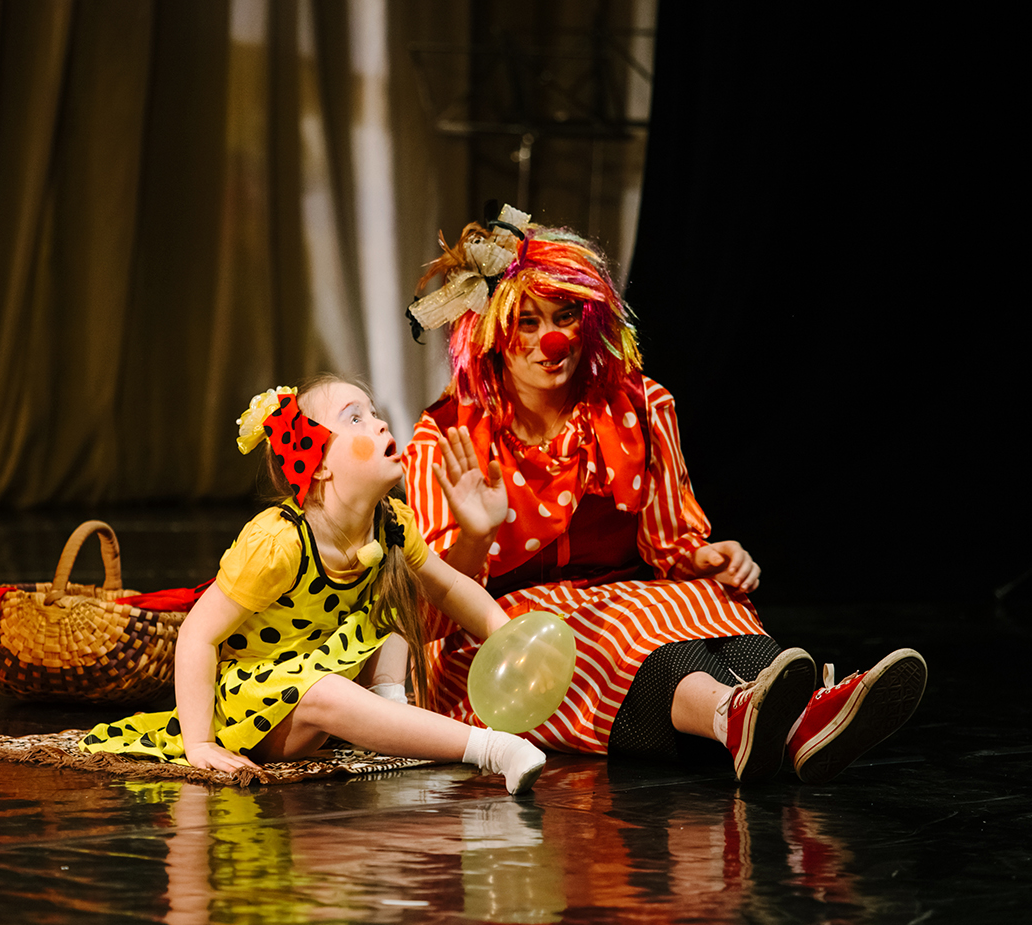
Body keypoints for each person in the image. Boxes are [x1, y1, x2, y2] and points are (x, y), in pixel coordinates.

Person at [403, 204, 927, 783]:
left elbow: (670, 546)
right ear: (492, 335)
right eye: (527, 322)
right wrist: (476, 537)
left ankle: (799, 719)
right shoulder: (447, 437)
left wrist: (703, 558)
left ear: (589, 318)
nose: (552, 340)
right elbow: (428, 616)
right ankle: (744, 716)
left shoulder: (638, 406)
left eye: (565, 315)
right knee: (605, 629)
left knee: (705, 599)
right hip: (498, 639)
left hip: (620, 604)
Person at [79, 376, 547, 794]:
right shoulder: (278, 543)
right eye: (356, 419)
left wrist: (507, 634)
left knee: (391, 589)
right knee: (325, 689)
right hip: (258, 702)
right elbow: (197, 634)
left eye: (375, 413)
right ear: (318, 463)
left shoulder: (392, 522)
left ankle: (387, 704)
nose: (380, 424)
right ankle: (492, 749)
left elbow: (448, 589)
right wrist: (199, 743)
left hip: (326, 664)